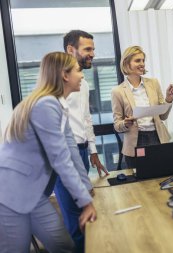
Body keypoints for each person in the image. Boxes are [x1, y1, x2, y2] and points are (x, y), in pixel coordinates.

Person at [0, 52, 96, 252]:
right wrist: (85, 202)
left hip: (33, 194)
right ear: (64, 75)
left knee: (63, 244)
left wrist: (86, 188)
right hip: (9, 195)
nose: (83, 75)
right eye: (78, 71)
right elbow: (60, 159)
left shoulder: (59, 106)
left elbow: (72, 152)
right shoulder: (46, 105)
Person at [54, 30, 108, 253]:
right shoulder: (56, 83)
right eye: (88, 49)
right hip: (65, 154)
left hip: (83, 151)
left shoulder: (82, 83)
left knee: (87, 216)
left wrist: (93, 151)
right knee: (76, 220)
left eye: (93, 49)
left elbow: (86, 119)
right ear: (70, 50)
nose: (92, 54)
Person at [112, 46, 173, 168]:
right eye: (137, 61)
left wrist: (169, 98)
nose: (142, 64)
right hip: (136, 142)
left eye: (143, 60)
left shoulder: (153, 83)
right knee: (140, 183)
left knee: (162, 175)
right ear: (126, 63)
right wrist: (125, 123)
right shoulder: (118, 91)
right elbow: (117, 125)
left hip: (157, 138)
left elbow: (163, 116)